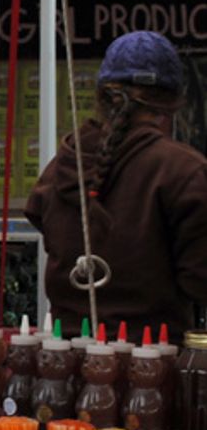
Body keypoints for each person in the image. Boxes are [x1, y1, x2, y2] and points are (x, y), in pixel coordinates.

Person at [26, 30, 207, 340]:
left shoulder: (62, 165)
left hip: (58, 367)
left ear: (101, 98)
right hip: (150, 370)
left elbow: (39, 215)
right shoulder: (185, 170)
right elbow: (199, 281)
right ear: (174, 103)